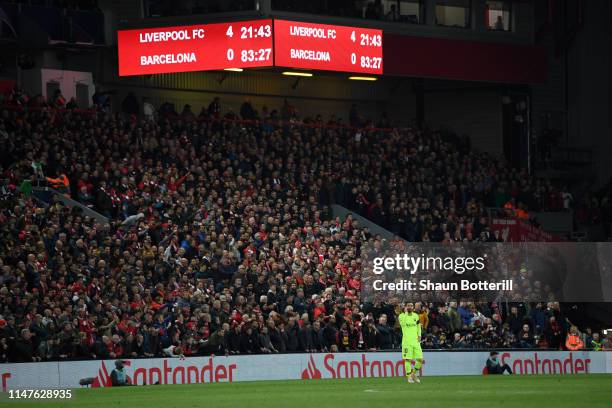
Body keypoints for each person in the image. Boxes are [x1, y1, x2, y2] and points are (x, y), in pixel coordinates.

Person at [399, 302, 423, 383]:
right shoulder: (402, 316)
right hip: (407, 342)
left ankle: (413, 374)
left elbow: (418, 326)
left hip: (416, 341)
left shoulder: (416, 316)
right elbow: (402, 324)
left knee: (420, 360)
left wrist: (419, 335)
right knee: (408, 360)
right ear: (405, 307)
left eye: (411, 306)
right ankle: (409, 376)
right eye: (408, 306)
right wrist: (405, 312)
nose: (410, 307)